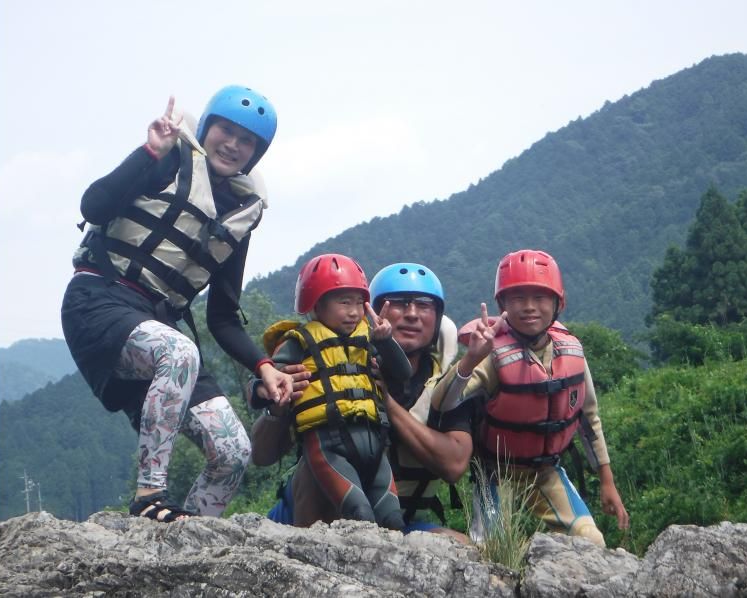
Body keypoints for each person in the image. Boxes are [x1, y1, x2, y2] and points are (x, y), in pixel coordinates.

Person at [61, 86, 293, 523]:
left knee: (233, 450)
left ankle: (184, 539)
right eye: (226, 130)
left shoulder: (240, 216)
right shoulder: (168, 161)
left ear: (256, 153)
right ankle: (150, 497)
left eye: (247, 141)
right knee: (178, 350)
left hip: (156, 326)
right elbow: (94, 205)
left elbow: (222, 318)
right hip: (97, 303)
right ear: (206, 128)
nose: (233, 144)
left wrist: (264, 366)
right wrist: (150, 150)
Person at [249, 262, 474, 541]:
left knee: (462, 545)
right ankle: (309, 559)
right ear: (372, 311)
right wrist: (277, 404)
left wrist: (386, 403)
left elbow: (454, 465)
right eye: (400, 304)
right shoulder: (318, 362)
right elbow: (261, 456)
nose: (412, 314)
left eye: (424, 305)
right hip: (308, 514)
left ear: (438, 317)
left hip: (394, 522)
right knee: (314, 465)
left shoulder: (447, 386)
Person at [431, 249, 629, 547]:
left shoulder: (571, 351)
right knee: (491, 552)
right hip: (496, 475)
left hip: (547, 471)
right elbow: (441, 402)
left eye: (539, 298)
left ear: (557, 303)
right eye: (518, 298)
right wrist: (471, 358)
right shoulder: (492, 355)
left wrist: (607, 480)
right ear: (503, 304)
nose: (529, 308)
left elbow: (589, 420)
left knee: (592, 541)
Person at [254, 253, 413, 530]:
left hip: (375, 443)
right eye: (343, 302)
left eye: (358, 303)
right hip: (328, 444)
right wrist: (265, 390)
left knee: (393, 520)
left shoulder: (369, 340)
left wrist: (386, 342)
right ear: (316, 305)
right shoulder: (298, 343)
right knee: (359, 513)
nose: (353, 312)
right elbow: (261, 386)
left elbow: (402, 373)